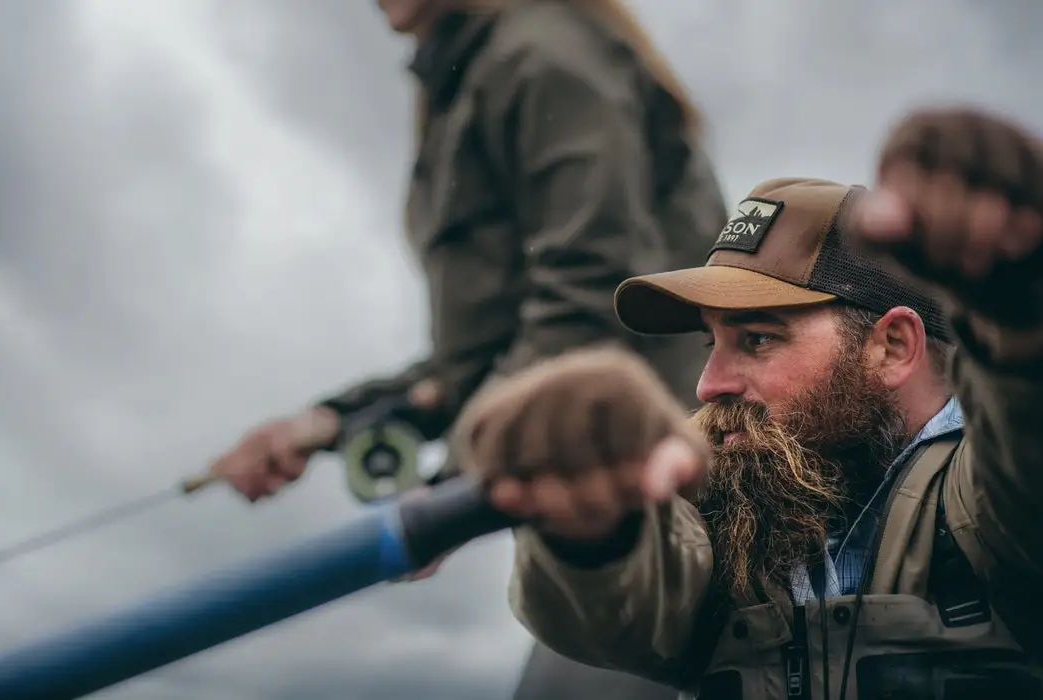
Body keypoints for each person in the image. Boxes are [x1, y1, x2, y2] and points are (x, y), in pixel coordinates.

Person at [208, 1, 726, 699]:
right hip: (606, 515)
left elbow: (589, 295)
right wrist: (326, 424)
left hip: (675, 495)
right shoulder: (472, 74)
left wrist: (450, 487)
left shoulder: (542, 54)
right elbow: (481, 358)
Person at [448, 106, 1043, 699]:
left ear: (891, 347)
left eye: (757, 339)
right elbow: (622, 604)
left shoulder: (993, 501)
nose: (709, 384)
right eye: (714, 342)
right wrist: (594, 530)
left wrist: (1020, 315)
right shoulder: (739, 501)